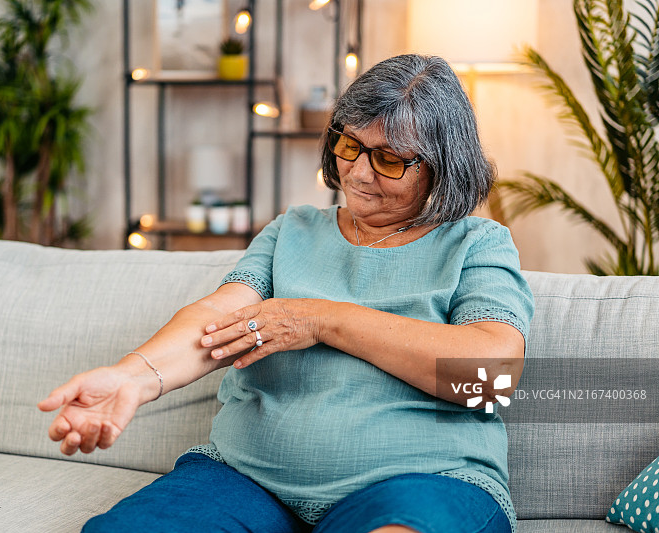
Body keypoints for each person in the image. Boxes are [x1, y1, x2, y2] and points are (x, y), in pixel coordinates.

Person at [38, 54, 534, 533]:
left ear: (442, 166)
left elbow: (494, 375)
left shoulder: (476, 242)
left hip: (424, 482)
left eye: (388, 159)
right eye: (350, 145)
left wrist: (323, 320)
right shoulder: (291, 231)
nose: (360, 173)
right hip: (247, 480)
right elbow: (219, 316)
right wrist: (132, 377)